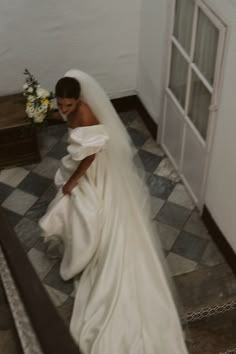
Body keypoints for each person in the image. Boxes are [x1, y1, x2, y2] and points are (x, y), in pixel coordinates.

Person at [39, 69, 188, 354]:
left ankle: (85, 247)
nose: (64, 109)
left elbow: (90, 157)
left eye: (68, 105)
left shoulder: (85, 115)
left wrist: (73, 181)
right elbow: (69, 126)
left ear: (79, 100)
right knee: (72, 207)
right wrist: (49, 113)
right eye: (60, 104)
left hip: (93, 169)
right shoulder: (71, 108)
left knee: (86, 208)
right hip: (83, 159)